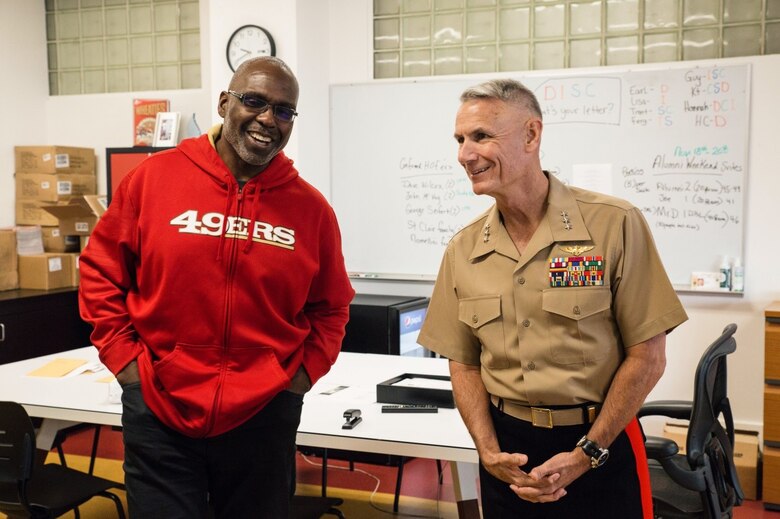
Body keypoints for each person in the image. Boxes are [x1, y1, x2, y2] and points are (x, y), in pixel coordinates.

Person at [78, 56, 355, 519]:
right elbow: (100, 273)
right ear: (225, 103)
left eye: (284, 110)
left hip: (263, 415)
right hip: (159, 408)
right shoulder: (153, 181)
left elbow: (331, 307)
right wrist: (127, 364)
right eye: (255, 102)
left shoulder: (311, 210)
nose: (269, 119)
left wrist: (297, 379)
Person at [417, 79, 688, 518]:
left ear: (531, 135)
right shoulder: (463, 250)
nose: (465, 154)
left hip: (600, 442)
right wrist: (487, 452)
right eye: (461, 140)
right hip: (509, 458)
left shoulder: (615, 225)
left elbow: (648, 356)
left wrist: (586, 454)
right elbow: (463, 363)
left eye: (482, 136)